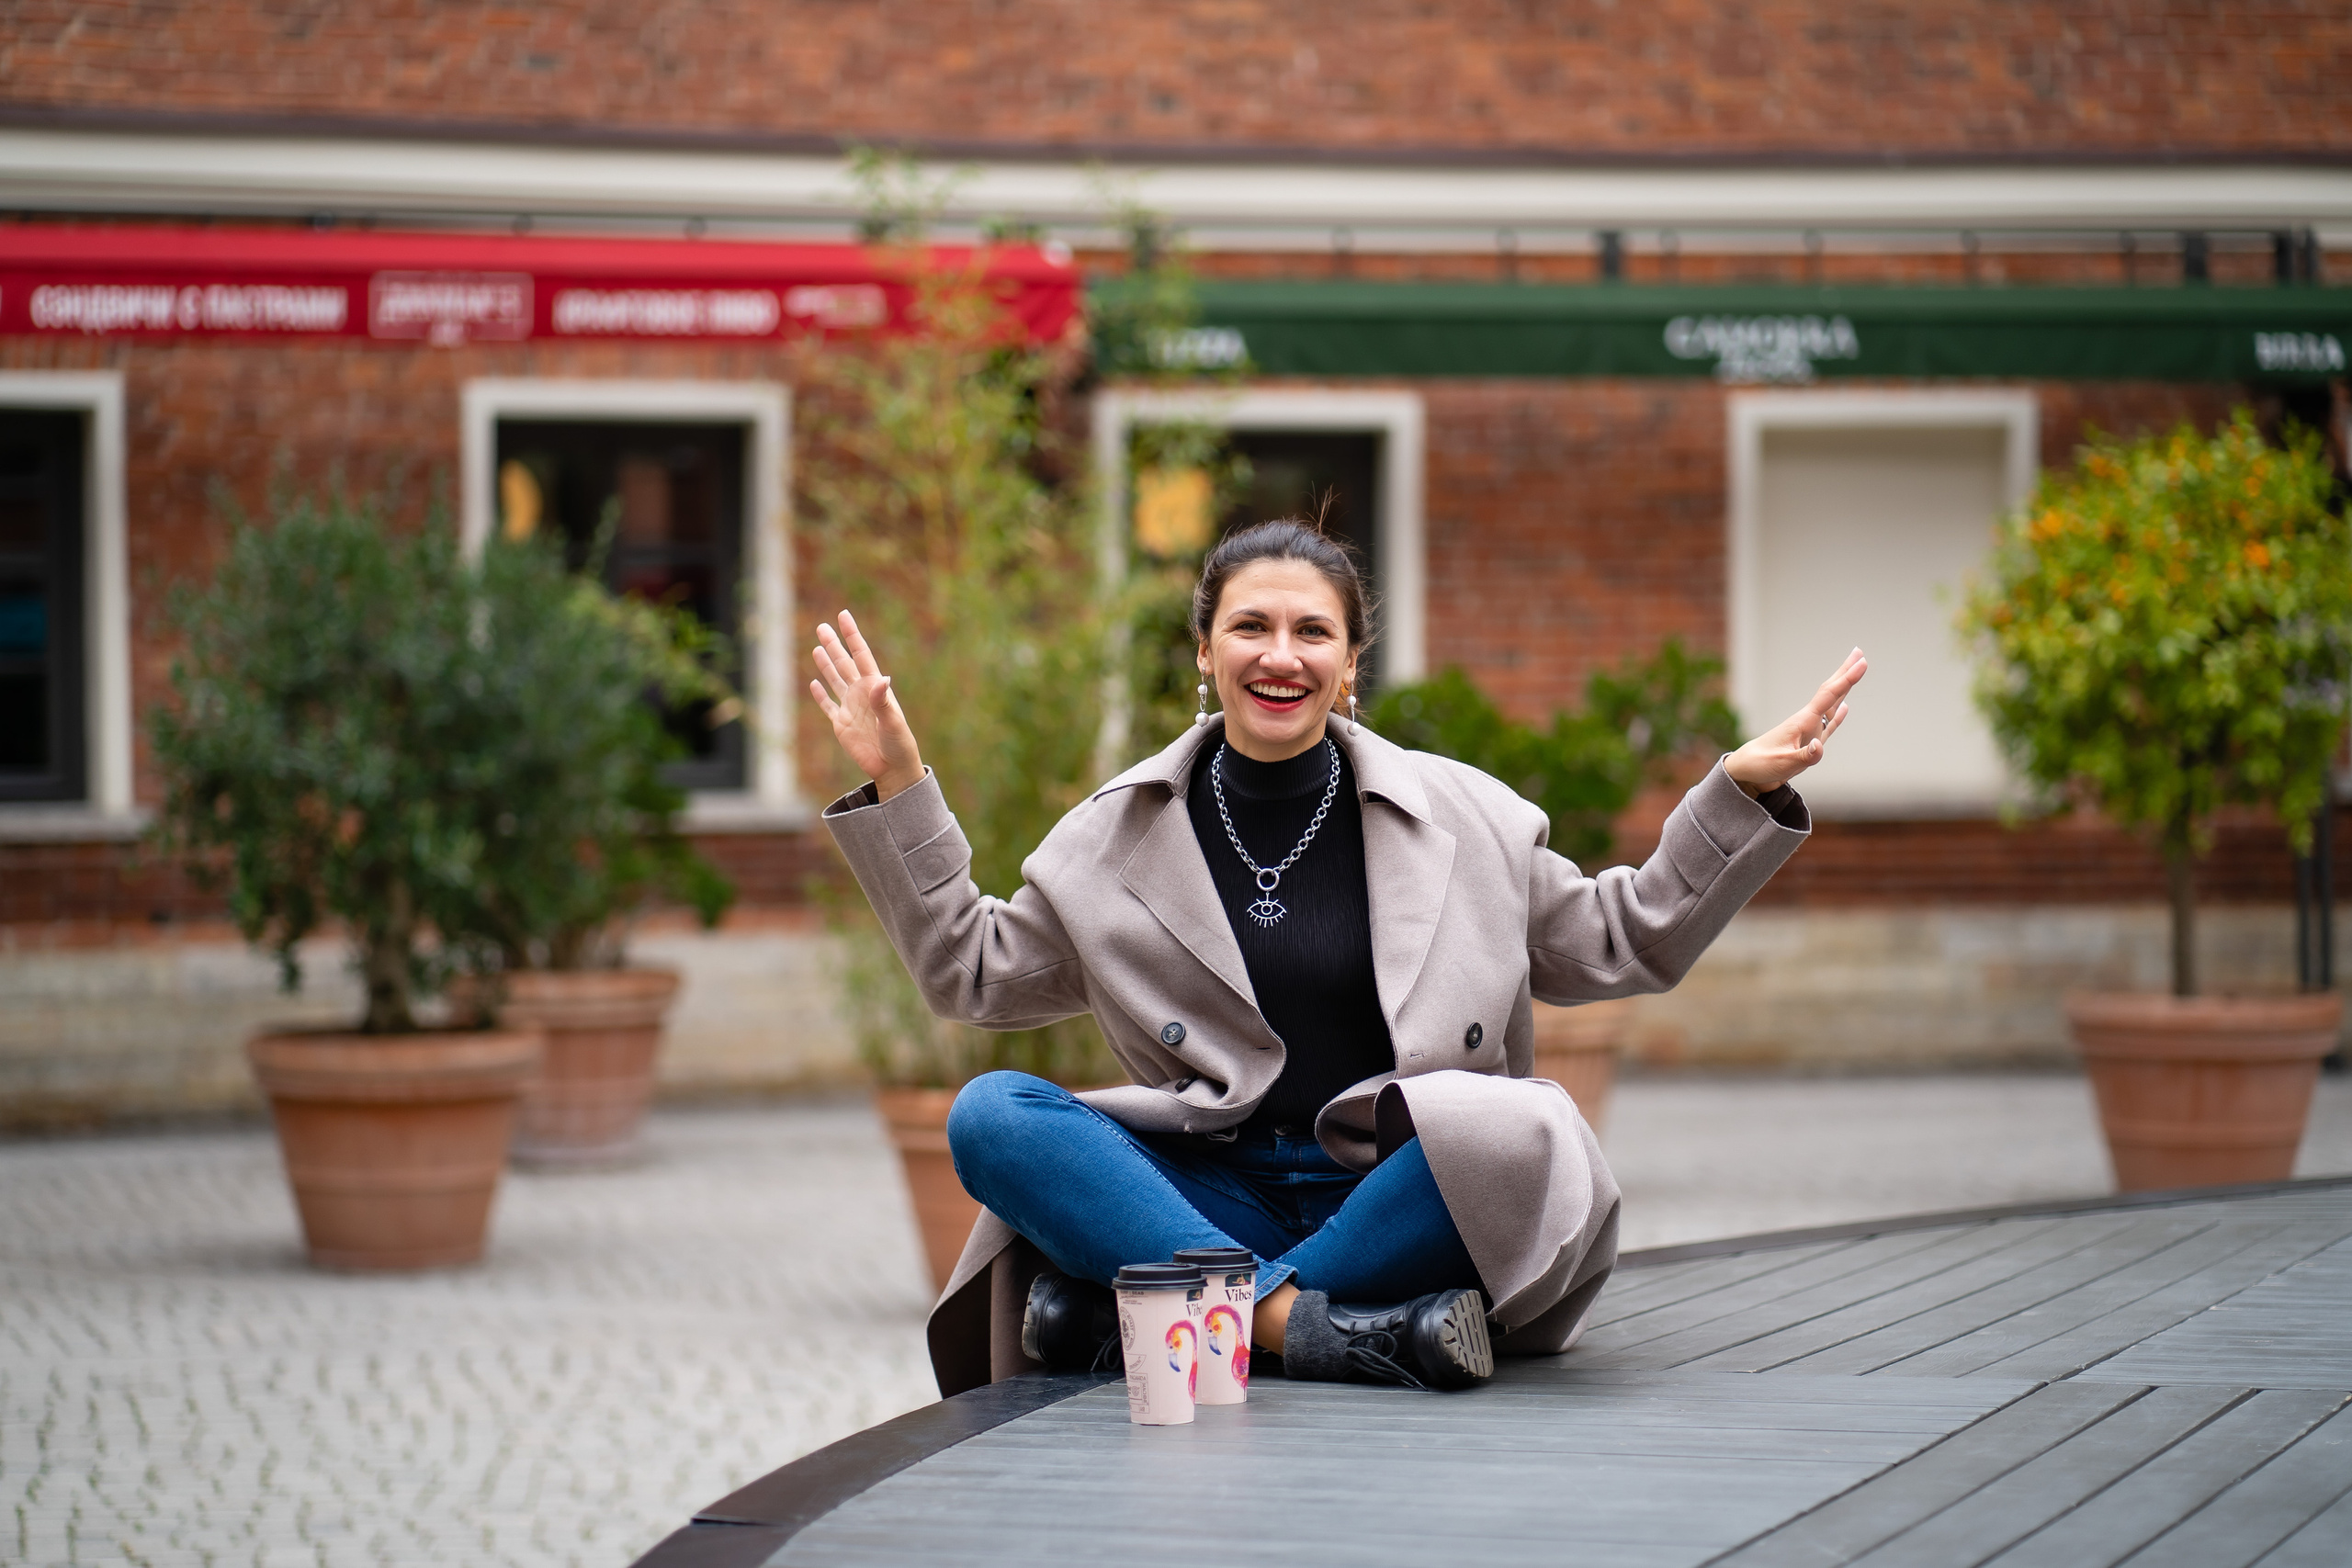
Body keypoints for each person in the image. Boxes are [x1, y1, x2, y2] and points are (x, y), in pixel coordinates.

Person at [814, 519, 1863, 1398]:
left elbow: (1624, 939)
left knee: (1528, 1128)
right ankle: (1293, 1331)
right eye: (1251, 627)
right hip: (1211, 1187)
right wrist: (902, 784)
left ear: (1350, 661)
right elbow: (973, 974)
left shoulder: (1467, 818)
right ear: (1204, 651)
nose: (1282, 654)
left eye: (1312, 630)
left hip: (1397, 1194)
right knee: (991, 1114)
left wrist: (1736, 793)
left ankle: (1149, 1317)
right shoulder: (1111, 839)